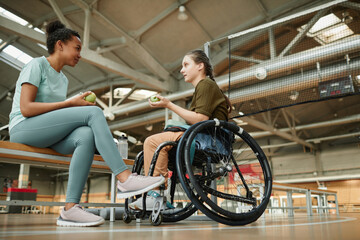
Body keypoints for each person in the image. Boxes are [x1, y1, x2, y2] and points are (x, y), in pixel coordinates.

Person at [8, 20, 164, 227]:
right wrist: (70, 103)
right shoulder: (36, 65)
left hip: (46, 133)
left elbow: (56, 114)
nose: (80, 54)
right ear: (60, 45)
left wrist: (72, 106)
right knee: (93, 112)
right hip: (23, 128)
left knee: (85, 135)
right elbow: (26, 108)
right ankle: (125, 178)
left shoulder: (63, 79)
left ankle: (70, 209)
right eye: (77, 48)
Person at [129, 49, 231, 210]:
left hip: (210, 139)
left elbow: (201, 119)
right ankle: (157, 194)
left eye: (186, 65)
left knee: (152, 141)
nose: (182, 70)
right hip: (203, 136)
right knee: (158, 143)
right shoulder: (203, 87)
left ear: (200, 66)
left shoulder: (206, 84)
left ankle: (155, 194)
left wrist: (169, 104)